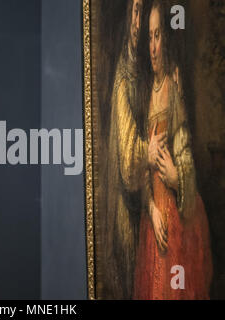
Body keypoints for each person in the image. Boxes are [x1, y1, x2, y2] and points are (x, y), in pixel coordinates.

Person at [134, 0, 212, 299]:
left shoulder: (174, 85)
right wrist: (151, 208)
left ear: (167, 37)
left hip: (178, 217)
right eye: (149, 37)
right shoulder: (145, 97)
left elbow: (186, 157)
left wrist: (177, 179)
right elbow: (142, 171)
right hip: (154, 223)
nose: (153, 46)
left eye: (158, 36)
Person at [105, 0, 165, 299]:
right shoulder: (123, 77)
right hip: (127, 209)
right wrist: (148, 150)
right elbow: (129, 161)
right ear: (129, 14)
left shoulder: (142, 68)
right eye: (136, 10)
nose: (139, 22)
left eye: (143, 12)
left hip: (147, 202)